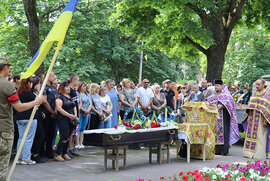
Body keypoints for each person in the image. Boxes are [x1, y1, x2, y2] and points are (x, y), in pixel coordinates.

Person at [0, 57, 43, 180]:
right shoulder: (7, 86)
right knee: (2, 166)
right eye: (9, 67)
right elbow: (18, 107)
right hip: (4, 130)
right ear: (5, 67)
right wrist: (35, 102)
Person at [208, 79, 240, 156]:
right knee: (215, 132)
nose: (216, 87)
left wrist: (223, 105)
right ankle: (216, 150)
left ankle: (224, 150)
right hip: (215, 117)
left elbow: (230, 103)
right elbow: (209, 102)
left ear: (221, 86)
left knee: (224, 132)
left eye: (217, 86)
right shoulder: (213, 95)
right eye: (215, 86)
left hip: (224, 117)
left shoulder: (227, 94)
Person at [242, 79, 270, 160]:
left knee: (260, 136)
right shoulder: (254, 93)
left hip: (261, 119)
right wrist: (248, 116)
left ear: (263, 85)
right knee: (250, 136)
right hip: (252, 118)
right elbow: (250, 105)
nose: (257, 86)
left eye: (258, 84)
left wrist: (266, 120)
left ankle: (258, 154)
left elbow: (268, 108)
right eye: (256, 84)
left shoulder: (267, 94)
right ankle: (249, 153)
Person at [16, 78, 40, 165]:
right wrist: (38, 90)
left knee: (21, 138)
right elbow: (39, 101)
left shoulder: (19, 93)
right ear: (29, 83)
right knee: (28, 138)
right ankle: (26, 158)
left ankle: (19, 157)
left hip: (20, 117)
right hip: (29, 117)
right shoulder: (29, 93)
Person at [54, 81, 77, 162]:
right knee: (64, 135)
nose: (68, 88)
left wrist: (75, 115)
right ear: (62, 88)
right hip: (63, 118)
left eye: (69, 87)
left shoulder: (69, 96)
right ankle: (58, 154)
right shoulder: (59, 97)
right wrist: (69, 115)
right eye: (66, 87)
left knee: (69, 136)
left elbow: (74, 106)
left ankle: (65, 152)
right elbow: (59, 109)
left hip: (71, 118)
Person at [42, 72, 57, 159]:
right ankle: (42, 152)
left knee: (51, 133)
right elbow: (45, 101)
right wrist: (52, 112)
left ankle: (49, 151)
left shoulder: (52, 87)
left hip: (53, 114)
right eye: (52, 75)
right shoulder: (44, 87)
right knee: (45, 133)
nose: (53, 77)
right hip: (47, 113)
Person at [31, 78, 46, 163]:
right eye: (38, 84)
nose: (39, 85)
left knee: (41, 135)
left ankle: (37, 152)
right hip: (34, 116)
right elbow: (41, 101)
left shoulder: (37, 93)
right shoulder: (32, 94)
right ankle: (34, 153)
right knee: (40, 134)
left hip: (38, 115)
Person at [67, 75, 80, 157]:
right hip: (71, 113)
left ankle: (71, 148)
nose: (78, 82)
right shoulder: (69, 90)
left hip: (76, 113)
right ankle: (67, 149)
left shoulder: (74, 91)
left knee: (72, 131)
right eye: (77, 80)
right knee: (69, 132)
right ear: (73, 80)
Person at [77, 82, 92, 148]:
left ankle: (81, 143)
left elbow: (90, 104)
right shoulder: (78, 95)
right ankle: (77, 143)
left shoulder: (88, 95)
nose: (84, 88)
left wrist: (87, 111)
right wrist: (84, 111)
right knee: (78, 128)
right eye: (83, 86)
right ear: (80, 87)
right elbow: (78, 104)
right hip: (80, 113)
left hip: (86, 114)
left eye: (85, 86)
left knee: (83, 129)